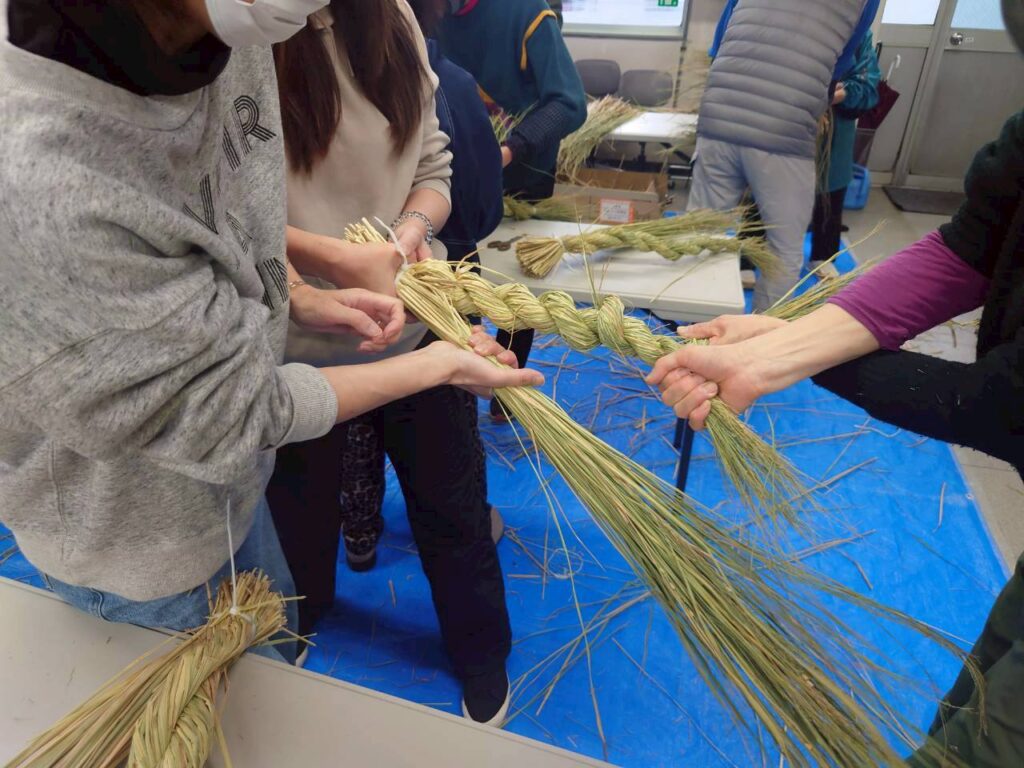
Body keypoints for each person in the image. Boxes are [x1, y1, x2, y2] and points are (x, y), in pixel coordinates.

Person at [0, 0, 541, 666]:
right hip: (145, 549)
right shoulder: (40, 177)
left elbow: (218, 216)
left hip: (236, 492)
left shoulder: (238, 28)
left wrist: (309, 284)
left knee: (382, 553)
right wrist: (441, 366)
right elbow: (235, 410)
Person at [649, 5, 1024, 751]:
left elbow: (1005, 403)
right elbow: (969, 247)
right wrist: (782, 346)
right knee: (977, 694)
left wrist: (792, 355)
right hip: (781, 128)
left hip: (728, 123)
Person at [266, 0, 514, 725]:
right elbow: (230, 212)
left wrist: (407, 234)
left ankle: (481, 655)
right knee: (298, 510)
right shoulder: (249, 37)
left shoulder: (393, 18)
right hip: (302, 346)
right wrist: (308, 291)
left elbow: (433, 163)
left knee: (453, 503)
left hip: (417, 319)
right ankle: (299, 620)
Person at [438, 0, 587, 418]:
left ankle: (508, 389)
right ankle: (459, 379)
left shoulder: (526, 13)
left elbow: (569, 103)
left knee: (516, 285)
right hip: (451, 174)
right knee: (456, 275)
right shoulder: (425, 13)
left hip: (520, 174)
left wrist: (508, 150)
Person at [689, 0, 880, 310]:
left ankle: (693, 326)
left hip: (718, 119)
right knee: (784, 252)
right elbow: (839, 63)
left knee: (701, 236)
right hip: (784, 132)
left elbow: (719, 44)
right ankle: (759, 334)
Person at [809, 31, 881, 268]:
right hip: (784, 123)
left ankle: (823, 258)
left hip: (833, 132)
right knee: (765, 193)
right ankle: (749, 259)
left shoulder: (857, 31)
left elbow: (867, 84)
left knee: (828, 197)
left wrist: (839, 93)